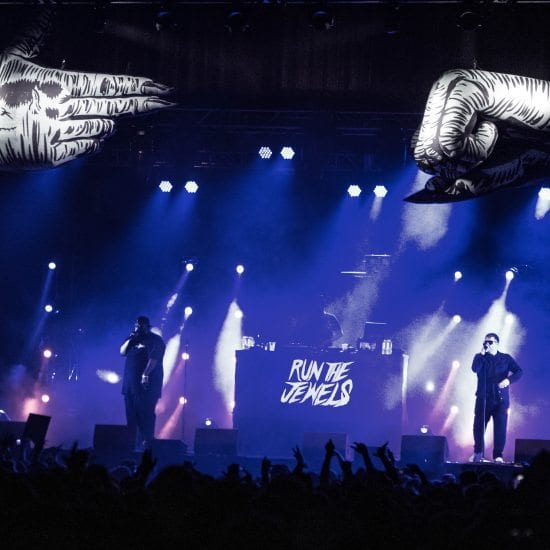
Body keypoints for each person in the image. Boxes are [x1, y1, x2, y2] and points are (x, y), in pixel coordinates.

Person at [470, 332, 522, 463]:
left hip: (500, 399)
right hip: (483, 398)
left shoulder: (505, 358)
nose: (487, 344)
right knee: (479, 426)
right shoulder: (480, 357)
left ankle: (498, 455)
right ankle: (478, 452)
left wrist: (508, 380)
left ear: (497, 343)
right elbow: (475, 369)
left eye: (490, 342)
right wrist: (482, 354)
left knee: (500, 427)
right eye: (485, 342)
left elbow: (519, 371)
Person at [120, 316, 165, 449]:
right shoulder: (133, 339)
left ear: (146, 326)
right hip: (129, 386)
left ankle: (147, 443)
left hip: (147, 386)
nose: (137, 327)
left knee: (145, 413)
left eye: (140, 325)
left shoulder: (155, 339)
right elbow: (122, 352)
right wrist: (131, 338)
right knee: (131, 415)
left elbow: (154, 358)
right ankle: (132, 443)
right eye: (136, 325)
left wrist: (145, 374)